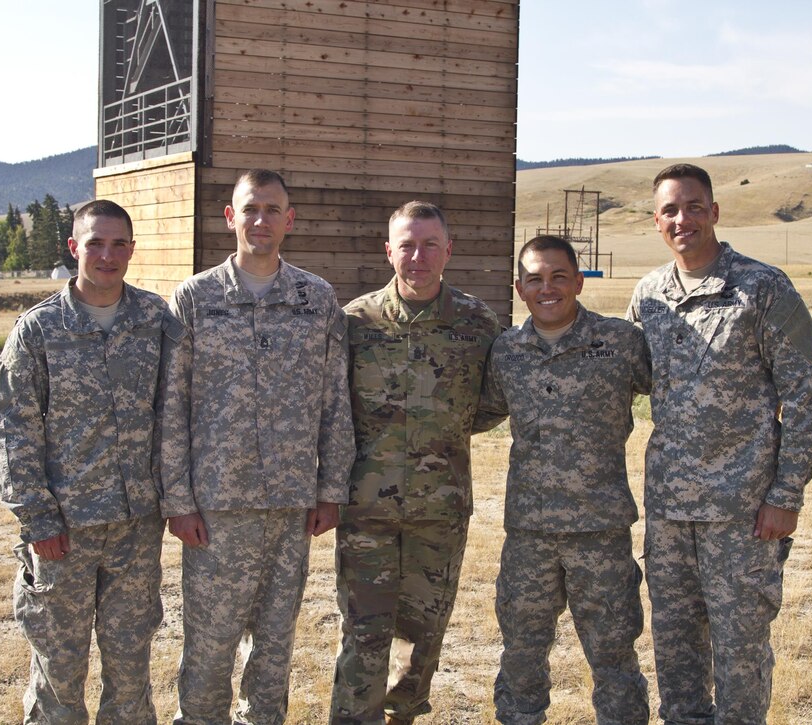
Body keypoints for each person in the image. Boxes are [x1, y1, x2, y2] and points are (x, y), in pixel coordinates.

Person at [626, 164, 812, 724]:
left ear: (714, 212)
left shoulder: (762, 287)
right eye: (670, 210)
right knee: (676, 648)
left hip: (743, 511)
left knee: (740, 653)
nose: (681, 219)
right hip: (669, 514)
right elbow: (626, 381)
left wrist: (786, 495)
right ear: (656, 222)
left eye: (693, 207)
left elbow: (806, 397)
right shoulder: (650, 296)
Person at [158, 169, 355, 725]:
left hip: (291, 504)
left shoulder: (315, 299)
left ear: (289, 220)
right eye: (251, 209)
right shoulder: (195, 300)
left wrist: (331, 489)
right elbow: (171, 407)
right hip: (217, 507)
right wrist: (178, 500)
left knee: (275, 645)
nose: (261, 220)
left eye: (273, 210)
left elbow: (333, 402)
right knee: (209, 645)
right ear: (231, 217)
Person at [0, 199, 183, 724]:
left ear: (131, 250)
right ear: (74, 248)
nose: (107, 254)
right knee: (59, 670)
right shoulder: (39, 330)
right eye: (95, 242)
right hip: (63, 531)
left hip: (136, 527)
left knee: (131, 666)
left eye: (119, 243)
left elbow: (176, 410)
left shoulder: (154, 320)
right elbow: (13, 426)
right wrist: (36, 518)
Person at [330, 201, 506, 725]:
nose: (418, 256)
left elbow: (490, 402)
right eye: (406, 244)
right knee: (363, 633)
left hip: (440, 510)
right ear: (389, 251)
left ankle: (402, 717)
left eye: (430, 244)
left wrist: (439, 433)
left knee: (423, 635)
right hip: (366, 510)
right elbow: (333, 407)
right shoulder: (354, 323)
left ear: (449, 250)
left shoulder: (477, 323)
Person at [481, 236, 651, 725]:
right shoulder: (506, 351)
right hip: (529, 534)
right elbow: (483, 410)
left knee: (615, 658)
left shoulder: (619, 342)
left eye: (559, 276)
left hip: (601, 531)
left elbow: (675, 390)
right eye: (534, 278)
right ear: (519, 288)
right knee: (521, 656)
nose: (547, 288)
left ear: (579, 281)